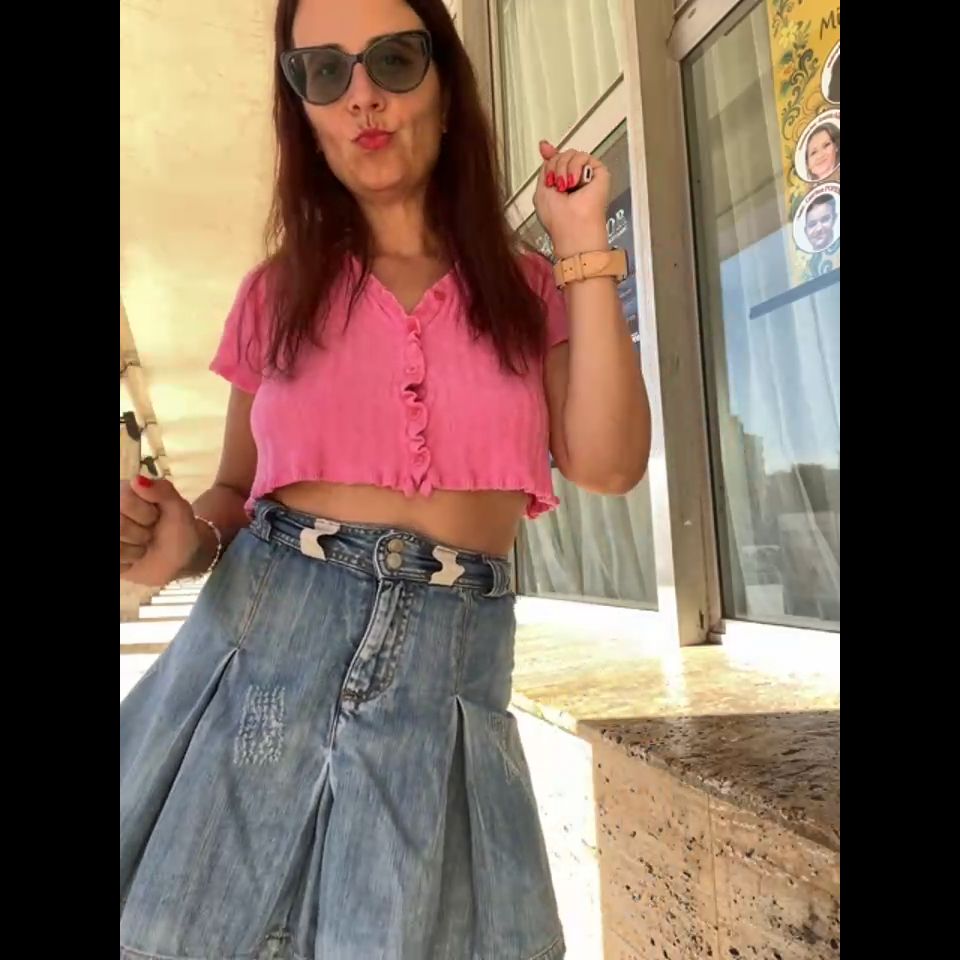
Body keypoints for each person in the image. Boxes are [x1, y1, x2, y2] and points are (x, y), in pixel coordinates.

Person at [118, 0, 651, 958]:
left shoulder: (528, 290)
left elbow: (610, 464)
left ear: (446, 86)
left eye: (394, 60)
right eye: (324, 72)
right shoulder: (273, 294)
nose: (362, 95)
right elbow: (234, 493)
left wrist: (582, 247)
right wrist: (182, 538)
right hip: (258, 667)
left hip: (443, 693)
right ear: (303, 112)